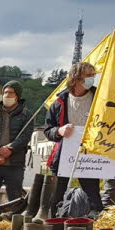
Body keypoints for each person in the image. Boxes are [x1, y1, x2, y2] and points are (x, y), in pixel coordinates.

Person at [45, 61, 104, 215]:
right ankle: (53, 225)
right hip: (64, 156)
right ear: (76, 78)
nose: (92, 79)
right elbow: (47, 129)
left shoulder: (99, 99)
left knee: (93, 198)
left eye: (93, 76)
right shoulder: (59, 102)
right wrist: (59, 131)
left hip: (90, 156)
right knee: (56, 196)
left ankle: (93, 225)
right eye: (88, 76)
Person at [0, 81, 31, 213]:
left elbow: (25, 137)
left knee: (15, 201)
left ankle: (12, 228)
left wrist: (10, 149)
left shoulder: (26, 114)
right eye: (5, 92)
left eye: (11, 92)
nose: (7, 95)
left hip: (14, 164)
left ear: (17, 95)